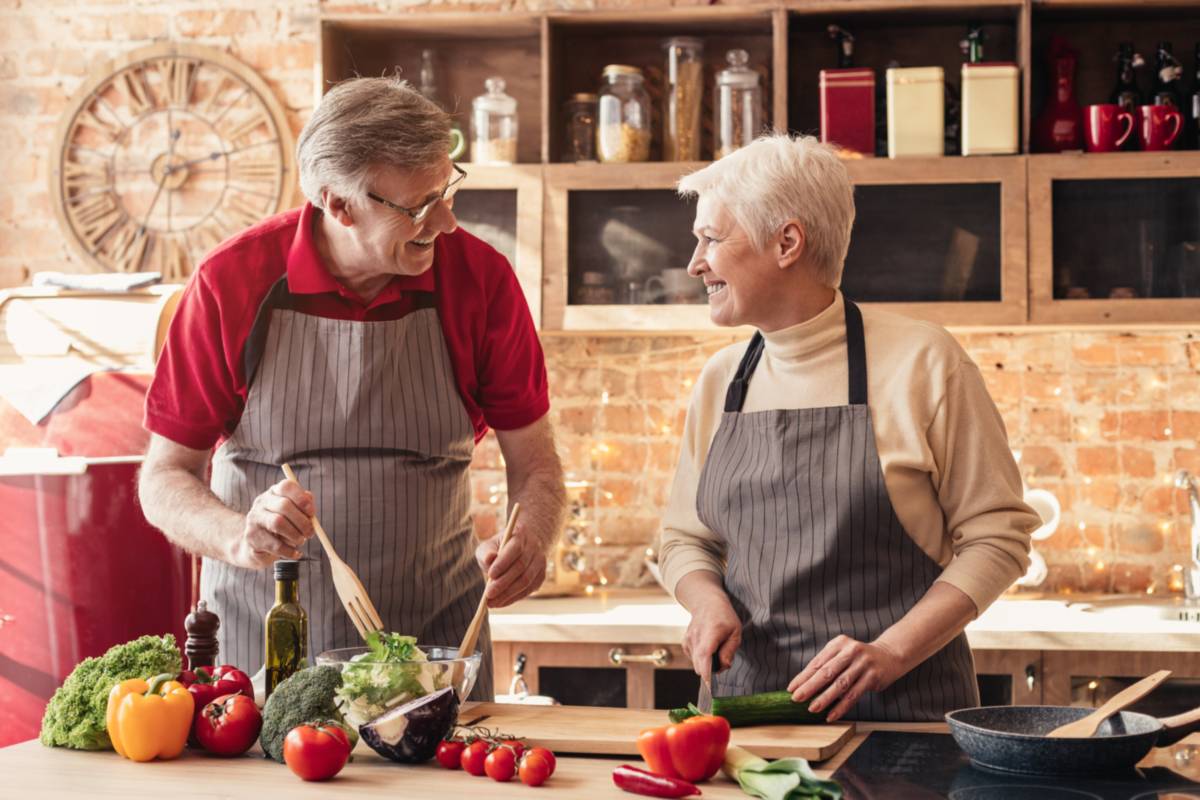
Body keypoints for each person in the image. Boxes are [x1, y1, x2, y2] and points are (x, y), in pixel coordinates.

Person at [138, 77, 566, 699]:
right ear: (339, 205)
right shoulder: (231, 282)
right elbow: (163, 478)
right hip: (262, 652)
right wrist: (238, 534)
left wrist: (531, 537)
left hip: (435, 651)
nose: (444, 222)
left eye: (447, 190)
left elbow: (536, 464)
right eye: (419, 206)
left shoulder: (480, 280)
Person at [658, 134, 1039, 722]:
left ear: (787, 242)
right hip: (748, 721)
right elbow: (685, 539)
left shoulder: (924, 362)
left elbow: (998, 538)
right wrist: (706, 601)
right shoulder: (722, 381)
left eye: (711, 238)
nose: (695, 263)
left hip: (903, 717)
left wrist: (889, 653)